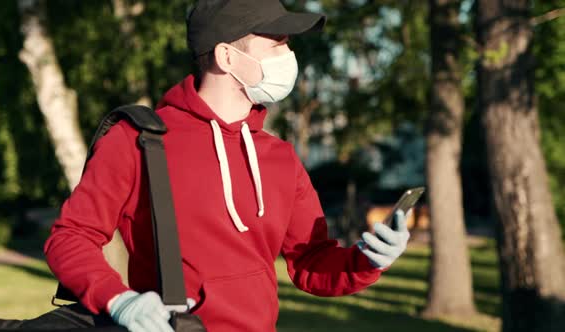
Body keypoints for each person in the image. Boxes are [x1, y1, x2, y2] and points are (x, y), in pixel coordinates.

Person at [43, 1, 411, 331]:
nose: (289, 55)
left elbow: (311, 263)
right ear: (227, 56)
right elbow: (70, 237)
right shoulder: (136, 139)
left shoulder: (280, 156)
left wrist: (367, 260)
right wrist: (119, 300)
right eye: (277, 43)